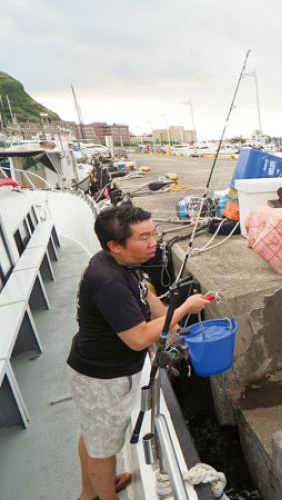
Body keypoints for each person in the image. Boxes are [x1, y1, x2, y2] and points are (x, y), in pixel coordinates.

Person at [67, 206, 212, 500]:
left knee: (94, 436)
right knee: (103, 449)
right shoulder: (109, 282)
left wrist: (176, 334)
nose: (153, 243)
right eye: (143, 237)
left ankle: (90, 490)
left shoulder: (124, 264)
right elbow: (138, 339)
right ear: (115, 246)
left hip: (107, 369)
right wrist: (184, 308)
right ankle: (100, 493)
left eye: (154, 234)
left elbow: (149, 298)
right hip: (101, 378)